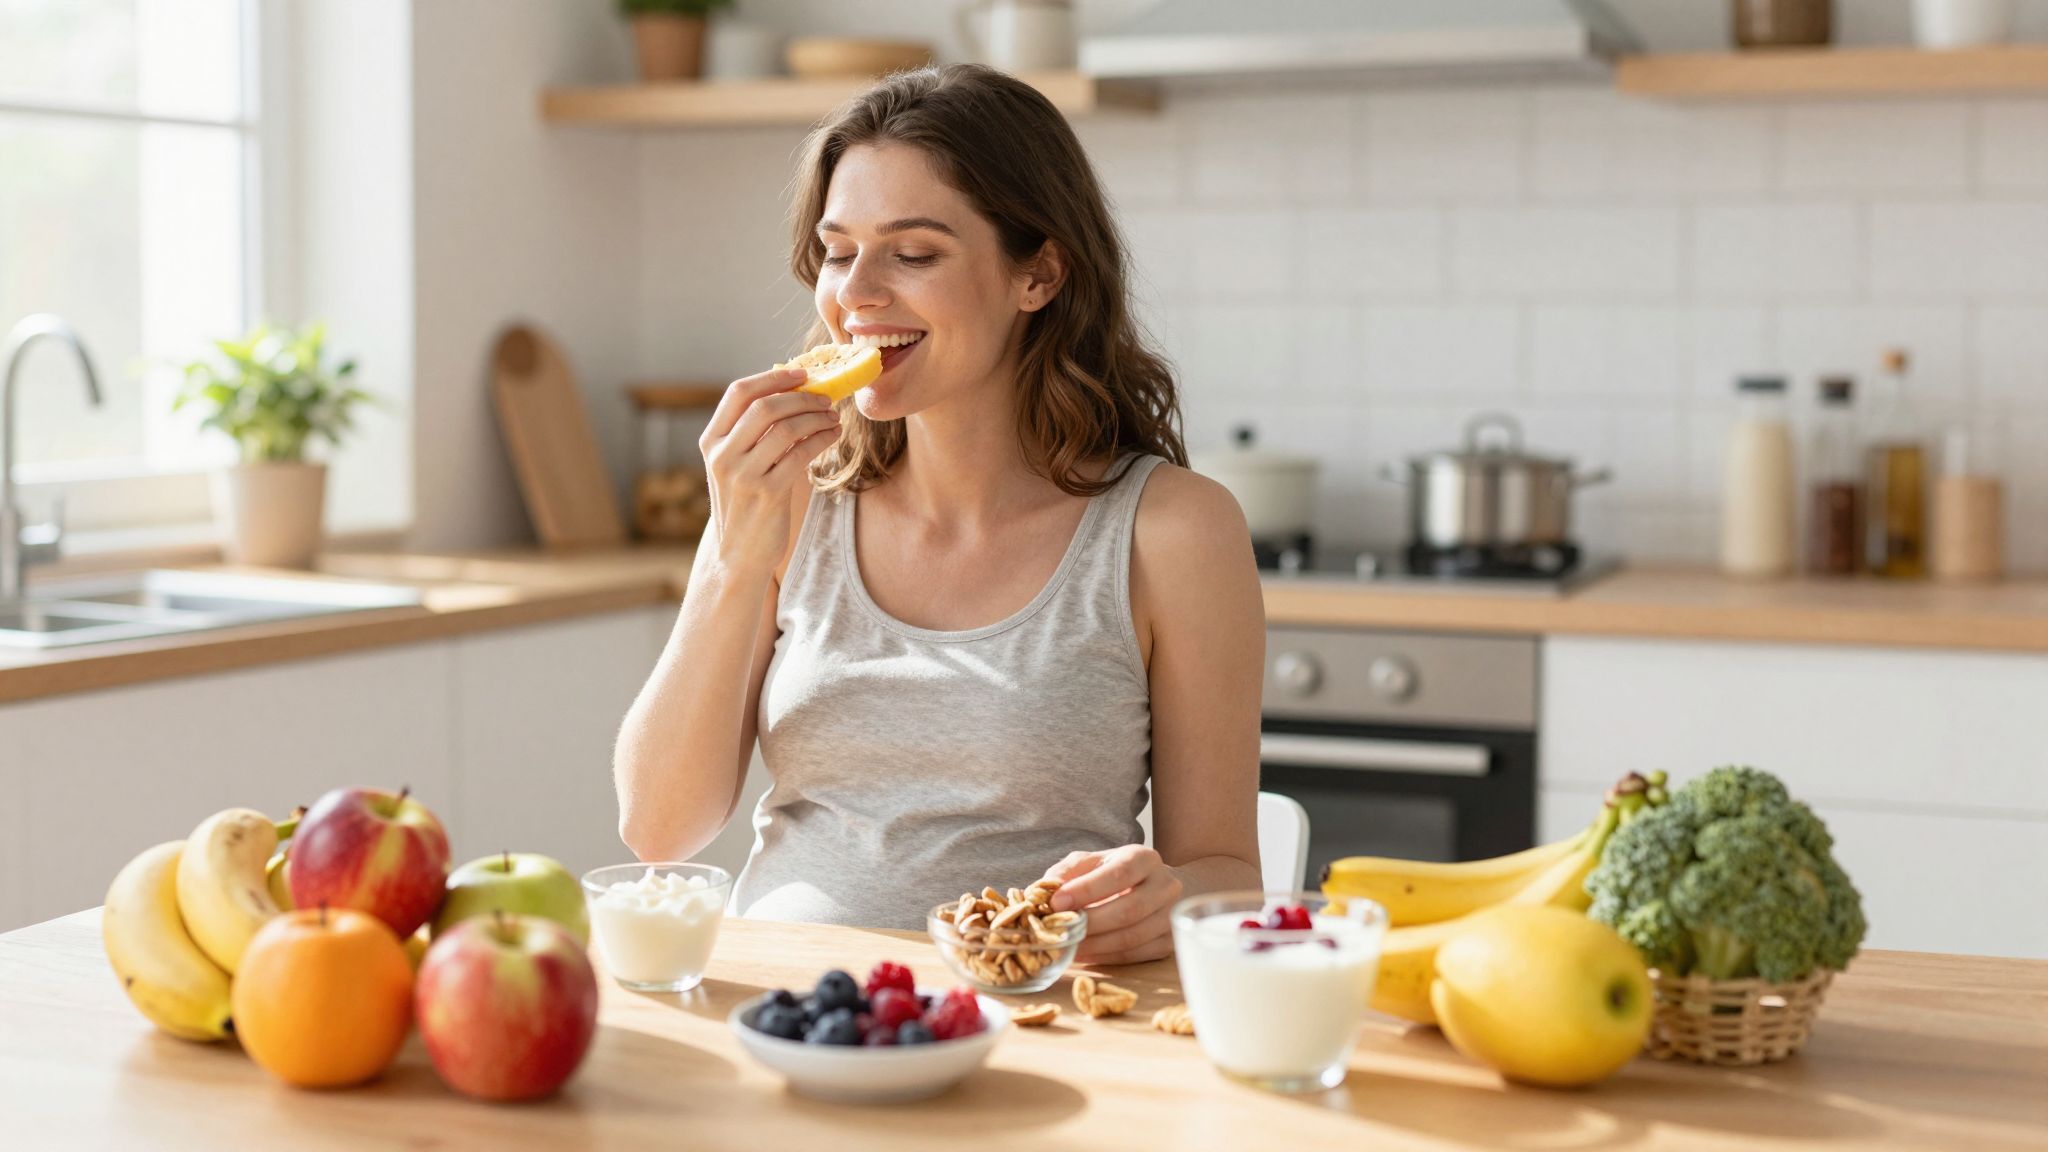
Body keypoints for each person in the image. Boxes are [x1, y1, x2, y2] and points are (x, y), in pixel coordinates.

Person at [614, 65, 1262, 964]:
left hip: (1032, 1016)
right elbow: (656, 829)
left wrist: (1162, 898)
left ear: (1038, 273)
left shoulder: (1172, 531)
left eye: (913, 253)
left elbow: (1226, 869)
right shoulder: (788, 498)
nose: (856, 293)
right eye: (839, 251)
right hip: (789, 1011)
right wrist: (732, 550)